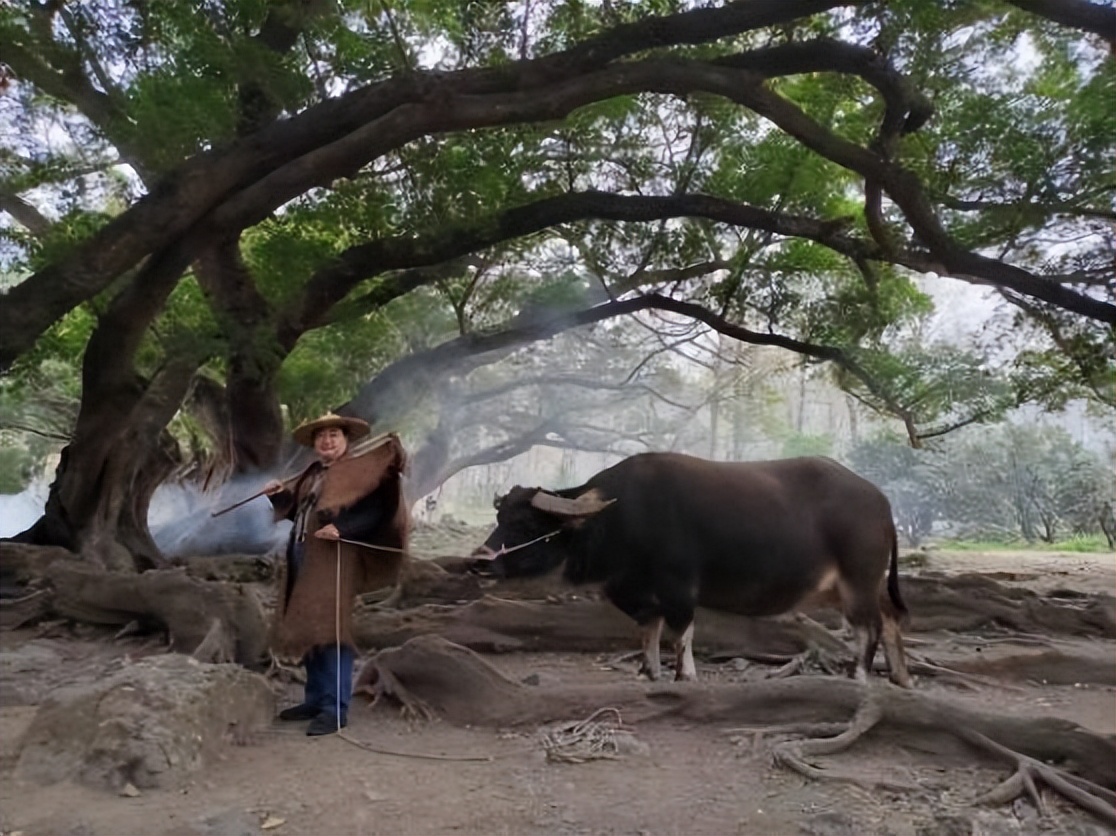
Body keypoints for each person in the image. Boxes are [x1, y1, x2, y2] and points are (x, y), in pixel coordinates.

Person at [263, 412, 410, 736]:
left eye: (334, 435)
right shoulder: (313, 474)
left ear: (345, 440)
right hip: (304, 557)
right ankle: (314, 700)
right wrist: (277, 496)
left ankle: (335, 709)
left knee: (331, 630)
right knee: (309, 627)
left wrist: (343, 527)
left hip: (335, 560)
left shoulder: (359, 473)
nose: (327, 441)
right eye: (321, 436)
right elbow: (298, 515)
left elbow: (376, 510)